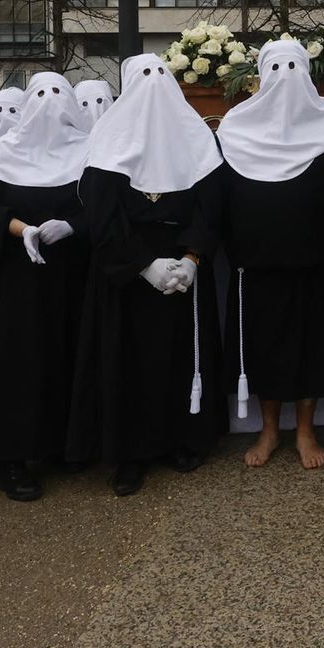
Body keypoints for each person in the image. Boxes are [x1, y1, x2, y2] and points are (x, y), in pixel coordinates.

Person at [67, 54, 226, 496]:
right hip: (127, 276)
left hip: (182, 269)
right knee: (127, 363)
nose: (154, 85)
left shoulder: (196, 139)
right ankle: (129, 455)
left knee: (178, 360)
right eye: (144, 77)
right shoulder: (108, 144)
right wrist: (143, 265)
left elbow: (210, 206)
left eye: (162, 75)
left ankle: (181, 439)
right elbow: (102, 217)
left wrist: (192, 259)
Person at [216, 40, 324, 470]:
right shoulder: (234, 130)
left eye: (295, 65)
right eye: (276, 66)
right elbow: (222, 200)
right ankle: (270, 428)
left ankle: (306, 430)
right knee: (263, 350)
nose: (285, 73)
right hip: (256, 265)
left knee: (311, 351)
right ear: (260, 73)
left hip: (312, 261)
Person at [0, 73, 92, 501]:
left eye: (58, 94)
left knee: (67, 356)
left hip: (72, 276)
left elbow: (105, 207)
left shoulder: (90, 154)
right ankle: (12, 459)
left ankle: (62, 444)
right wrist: (24, 230)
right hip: (17, 282)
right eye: (40, 94)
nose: (50, 103)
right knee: (18, 365)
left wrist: (72, 225)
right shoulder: (1, 155)